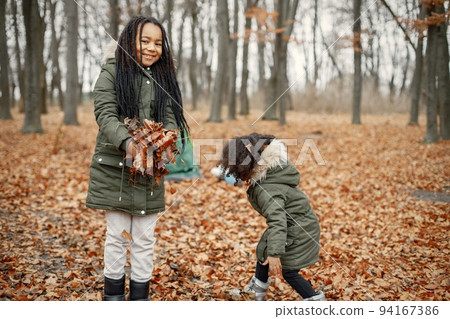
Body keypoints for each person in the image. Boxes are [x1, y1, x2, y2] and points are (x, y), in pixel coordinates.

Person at [86, 16, 189, 301]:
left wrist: (167, 140)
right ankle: (114, 297)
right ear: (130, 40)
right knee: (118, 236)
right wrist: (127, 143)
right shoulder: (112, 71)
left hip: (149, 171)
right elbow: (105, 113)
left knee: (144, 237)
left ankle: (140, 299)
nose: (152, 48)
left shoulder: (164, 78)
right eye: (145, 41)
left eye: (158, 43)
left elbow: (170, 115)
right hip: (114, 168)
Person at [219, 133, 326, 301]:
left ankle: (315, 301)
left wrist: (275, 254)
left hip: (299, 230)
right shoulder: (270, 174)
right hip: (295, 225)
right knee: (263, 254)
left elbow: (277, 221)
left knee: (289, 272)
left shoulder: (266, 189)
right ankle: (256, 293)